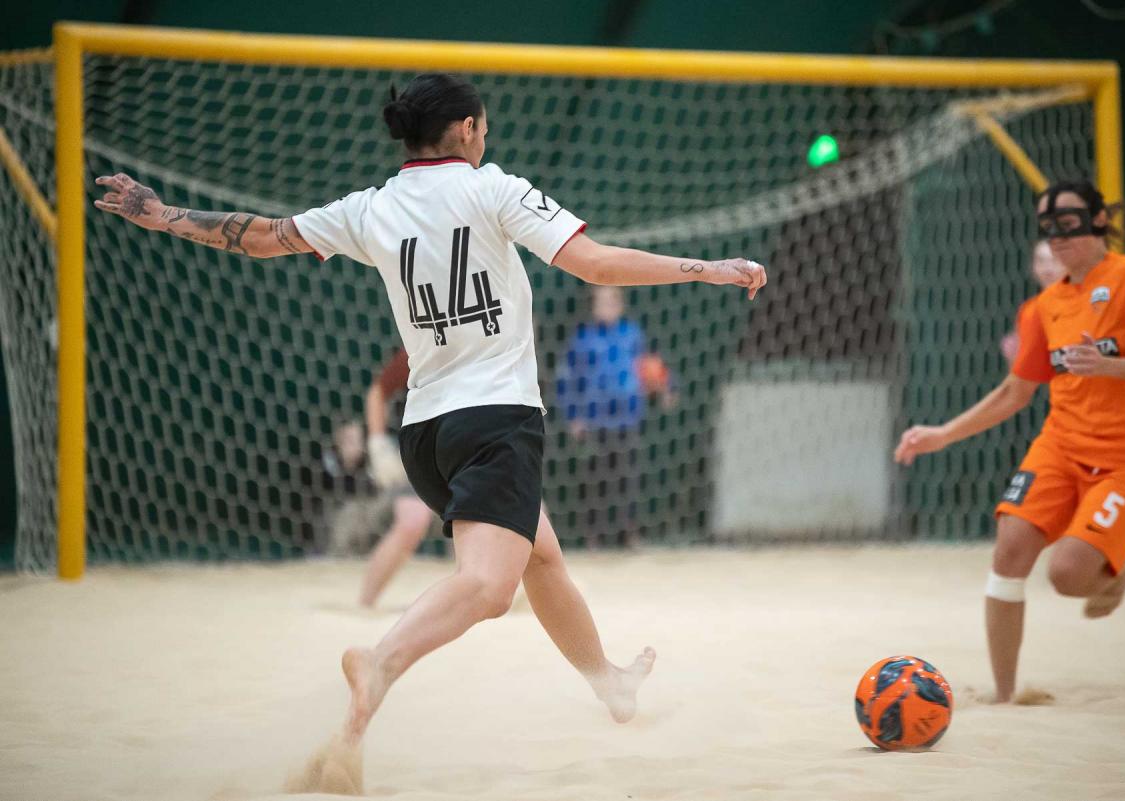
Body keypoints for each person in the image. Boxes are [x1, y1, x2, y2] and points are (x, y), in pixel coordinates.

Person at [93, 73, 766, 749]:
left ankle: (609, 683)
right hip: (496, 420)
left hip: (425, 435)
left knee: (541, 557)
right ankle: (380, 661)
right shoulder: (493, 188)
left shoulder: (371, 207)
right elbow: (595, 264)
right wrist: (708, 268)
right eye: (485, 125)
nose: (486, 136)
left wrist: (161, 213)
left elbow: (264, 236)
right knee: (490, 587)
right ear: (468, 129)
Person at [894, 179, 1125, 703]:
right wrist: (943, 434)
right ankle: (1005, 695)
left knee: (1068, 576)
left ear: (1099, 221)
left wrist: (1110, 365)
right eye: (1049, 227)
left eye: (1069, 223)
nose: (1058, 236)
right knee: (1009, 547)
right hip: (1061, 446)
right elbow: (1014, 392)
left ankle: (1114, 569)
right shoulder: (1042, 308)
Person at [1003, 242, 1125, 559]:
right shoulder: (1035, 310)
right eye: (1040, 260)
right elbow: (1028, 376)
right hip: (1079, 412)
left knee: (1106, 479)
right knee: (1085, 481)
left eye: (1053, 259)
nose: (1048, 267)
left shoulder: (1100, 298)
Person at [557, 286, 674, 548]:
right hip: (595, 419)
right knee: (595, 479)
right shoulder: (583, 338)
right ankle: (593, 537)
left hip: (627, 417)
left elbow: (650, 365)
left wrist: (666, 386)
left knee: (627, 478)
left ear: (620, 306)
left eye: (610, 302)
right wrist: (573, 416)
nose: (605, 307)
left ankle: (629, 535)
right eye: (600, 302)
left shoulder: (632, 334)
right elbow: (568, 379)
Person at [324, 349, 437, 608]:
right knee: (412, 520)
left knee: (488, 523)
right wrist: (377, 443)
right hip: (423, 453)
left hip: (471, 449)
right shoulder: (423, 343)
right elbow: (378, 391)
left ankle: (493, 602)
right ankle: (365, 604)